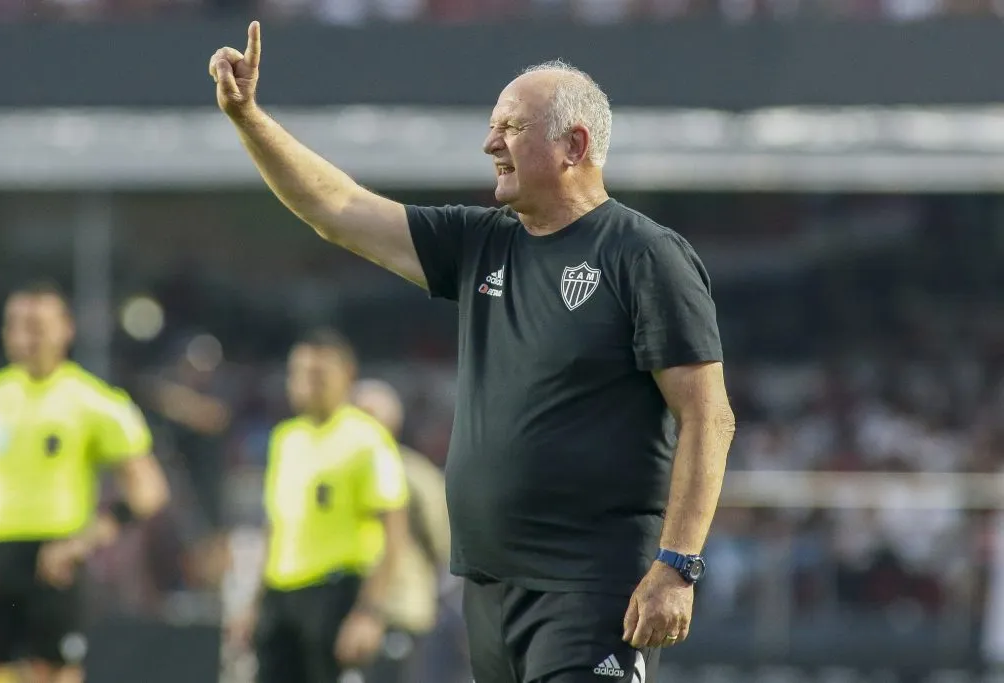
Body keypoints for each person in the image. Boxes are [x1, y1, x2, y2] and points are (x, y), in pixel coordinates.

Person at [209, 25, 736, 683]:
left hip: (593, 583)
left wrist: (678, 564)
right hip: (489, 588)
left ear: (573, 145)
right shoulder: (482, 242)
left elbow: (708, 417)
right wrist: (249, 118)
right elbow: (337, 209)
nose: (490, 144)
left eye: (510, 128)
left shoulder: (645, 255)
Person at [0, 282, 171, 683]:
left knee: (58, 672)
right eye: (16, 325)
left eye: (37, 326)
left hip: (57, 557)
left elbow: (149, 490)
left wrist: (83, 541)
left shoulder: (95, 401)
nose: (26, 336)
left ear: (66, 329)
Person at [226, 330, 410, 683]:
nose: (307, 384)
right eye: (299, 374)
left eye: (319, 374)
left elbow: (395, 533)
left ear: (347, 376)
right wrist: (253, 601)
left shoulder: (367, 440)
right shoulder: (285, 438)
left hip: (335, 593)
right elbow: (275, 525)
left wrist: (369, 612)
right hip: (281, 594)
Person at [352, 378, 452, 683]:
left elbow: (443, 542)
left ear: (393, 422)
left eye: (371, 416)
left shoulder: (416, 475)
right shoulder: (336, 470)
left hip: (401, 606)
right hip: (347, 603)